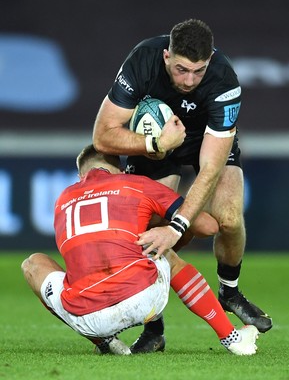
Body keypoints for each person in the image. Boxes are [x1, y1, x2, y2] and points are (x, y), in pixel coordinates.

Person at [92, 18, 272, 353]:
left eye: (198, 70)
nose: (189, 80)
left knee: (230, 217)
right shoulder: (142, 60)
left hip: (206, 141)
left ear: (210, 59)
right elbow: (102, 136)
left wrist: (177, 227)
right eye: (181, 70)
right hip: (160, 141)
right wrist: (155, 145)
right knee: (144, 230)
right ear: (165, 56)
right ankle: (153, 329)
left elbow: (211, 168)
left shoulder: (224, 80)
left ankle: (229, 290)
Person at [21, 144, 259, 356]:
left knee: (33, 263)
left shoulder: (63, 199)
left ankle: (104, 341)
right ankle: (231, 338)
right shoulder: (135, 184)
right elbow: (208, 227)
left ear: (80, 175)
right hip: (142, 299)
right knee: (162, 249)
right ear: (121, 170)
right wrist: (172, 224)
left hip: (87, 317)